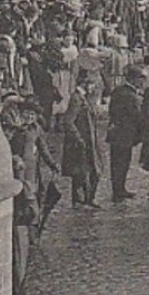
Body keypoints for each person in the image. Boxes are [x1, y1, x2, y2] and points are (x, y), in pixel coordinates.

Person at [105, 64, 145, 202]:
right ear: (133, 79)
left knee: (117, 163)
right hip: (124, 135)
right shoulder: (131, 96)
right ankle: (118, 191)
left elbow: (111, 111)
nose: (142, 82)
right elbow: (138, 117)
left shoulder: (118, 91)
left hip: (115, 133)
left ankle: (119, 189)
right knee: (121, 163)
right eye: (141, 79)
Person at [61, 77, 103, 208]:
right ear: (84, 83)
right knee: (80, 172)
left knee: (94, 169)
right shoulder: (76, 99)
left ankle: (89, 198)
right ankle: (80, 200)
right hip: (81, 143)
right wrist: (78, 139)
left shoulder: (84, 98)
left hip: (90, 140)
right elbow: (68, 121)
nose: (93, 88)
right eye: (92, 84)